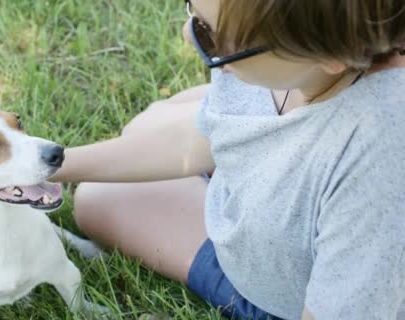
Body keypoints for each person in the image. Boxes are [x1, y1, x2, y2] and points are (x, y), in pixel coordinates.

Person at [51, 0, 405, 319]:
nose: (189, 38)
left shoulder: (379, 162)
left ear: (330, 56)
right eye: (193, 11)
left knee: (97, 198)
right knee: (145, 124)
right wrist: (53, 166)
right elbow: (204, 136)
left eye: (212, 37)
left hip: (282, 294)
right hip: (283, 202)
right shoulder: (285, 41)